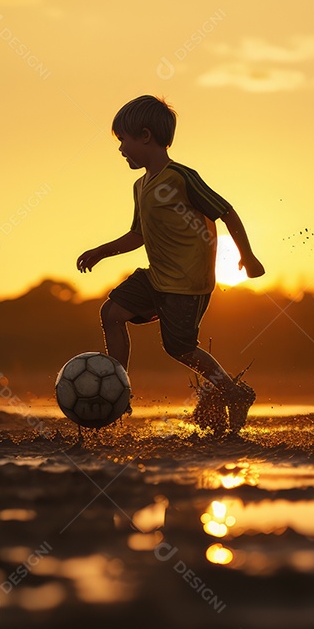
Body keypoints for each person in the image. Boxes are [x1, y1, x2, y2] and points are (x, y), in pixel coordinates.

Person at [77, 95, 264, 436]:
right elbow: (138, 235)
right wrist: (100, 251)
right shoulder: (141, 186)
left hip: (187, 283)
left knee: (179, 348)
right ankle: (118, 388)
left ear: (145, 136)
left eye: (124, 142)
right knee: (111, 313)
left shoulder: (181, 177)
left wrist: (247, 255)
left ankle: (234, 393)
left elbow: (225, 210)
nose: (121, 151)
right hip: (156, 277)